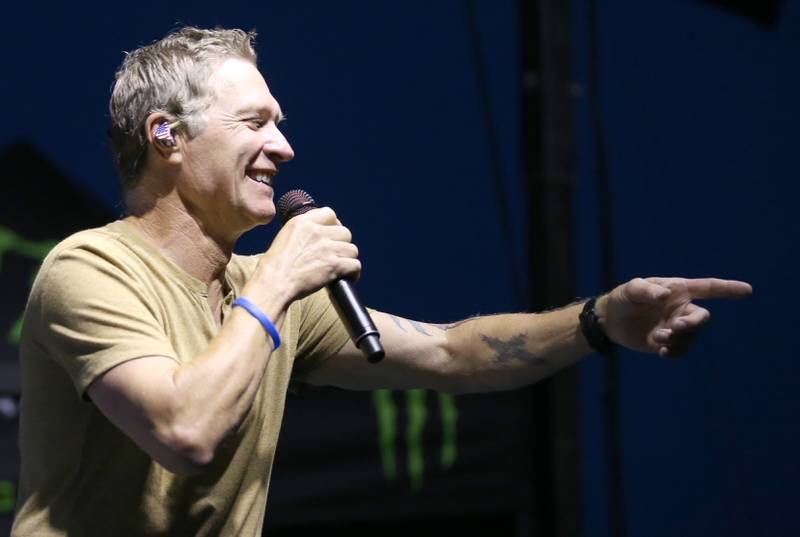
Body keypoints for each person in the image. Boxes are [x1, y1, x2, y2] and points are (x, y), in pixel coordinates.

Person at [11, 27, 751, 537]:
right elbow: (184, 430)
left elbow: (453, 353)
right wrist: (279, 282)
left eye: (281, 123)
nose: (284, 146)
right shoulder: (90, 269)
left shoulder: (260, 291)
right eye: (256, 122)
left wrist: (600, 320)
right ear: (166, 136)